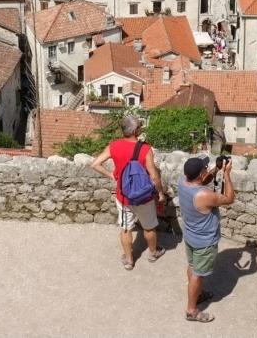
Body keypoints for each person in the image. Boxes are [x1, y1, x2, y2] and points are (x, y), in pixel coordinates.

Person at [89, 114, 167, 270]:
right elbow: (154, 175)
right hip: (144, 196)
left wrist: (113, 175)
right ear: (134, 132)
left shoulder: (114, 146)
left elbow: (95, 164)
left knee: (126, 228)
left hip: (124, 196)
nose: (141, 129)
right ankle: (153, 253)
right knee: (149, 227)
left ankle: (129, 260)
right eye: (139, 127)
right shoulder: (145, 148)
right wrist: (160, 193)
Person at [178, 156, 235, 323]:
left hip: (189, 235)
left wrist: (216, 170)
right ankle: (191, 311)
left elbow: (201, 181)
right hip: (204, 241)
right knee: (198, 274)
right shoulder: (204, 195)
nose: (207, 169)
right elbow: (229, 199)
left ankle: (198, 294)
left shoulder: (182, 181)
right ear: (201, 173)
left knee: (193, 266)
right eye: (206, 168)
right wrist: (226, 175)